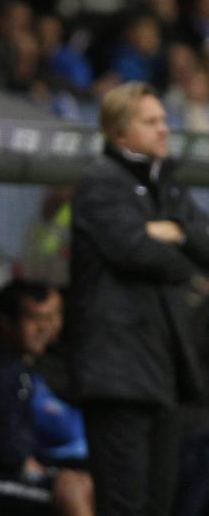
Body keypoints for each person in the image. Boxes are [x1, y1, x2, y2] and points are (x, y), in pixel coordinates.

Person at [68, 81, 209, 516]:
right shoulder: (101, 181)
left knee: (159, 501)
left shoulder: (164, 183)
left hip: (162, 370)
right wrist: (183, 259)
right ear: (119, 133)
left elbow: (204, 241)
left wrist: (175, 231)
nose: (164, 129)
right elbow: (134, 249)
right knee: (125, 502)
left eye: (164, 120)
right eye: (151, 122)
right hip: (116, 371)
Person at [0, 281, 94, 516]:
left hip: (16, 467)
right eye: (35, 319)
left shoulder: (25, 365)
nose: (46, 328)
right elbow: (1, 445)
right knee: (71, 489)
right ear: (6, 322)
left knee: (82, 481)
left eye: (51, 318)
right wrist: (29, 464)